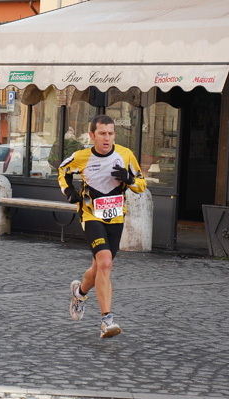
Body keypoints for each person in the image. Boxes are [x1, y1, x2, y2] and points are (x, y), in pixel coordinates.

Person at [58, 115, 146, 338]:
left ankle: (79, 293)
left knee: (98, 268)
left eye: (110, 133)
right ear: (92, 136)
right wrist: (69, 192)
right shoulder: (81, 157)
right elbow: (62, 171)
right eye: (102, 134)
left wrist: (129, 179)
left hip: (116, 217)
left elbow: (141, 184)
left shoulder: (125, 155)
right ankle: (107, 321)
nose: (107, 138)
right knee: (105, 263)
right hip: (91, 215)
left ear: (114, 135)